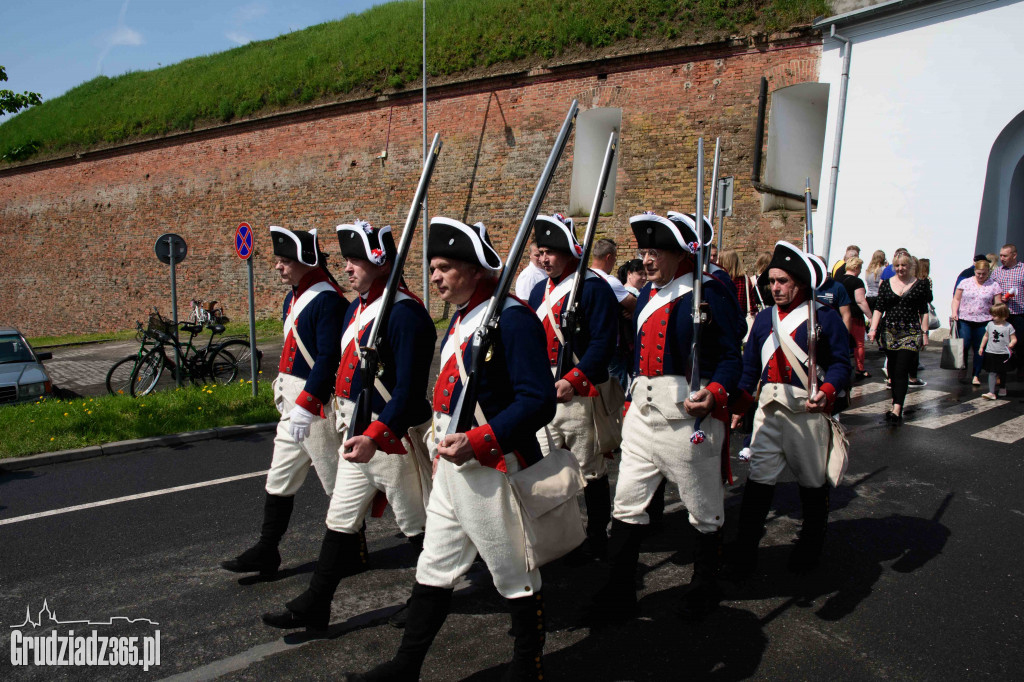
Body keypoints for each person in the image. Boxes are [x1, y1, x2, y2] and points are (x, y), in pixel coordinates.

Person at [345, 217, 556, 682]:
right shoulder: (463, 319)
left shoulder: (513, 319)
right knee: (433, 567)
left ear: (475, 269)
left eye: (443, 267)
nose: (434, 277)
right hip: (450, 470)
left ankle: (529, 666)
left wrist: (481, 439)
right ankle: (406, 666)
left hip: (491, 469)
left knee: (514, 574)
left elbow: (537, 400)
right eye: (433, 268)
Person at [261, 221, 437, 633]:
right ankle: (316, 603)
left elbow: (409, 392)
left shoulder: (405, 313)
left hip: (392, 438)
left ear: (381, 262)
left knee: (418, 525)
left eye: (356, 259)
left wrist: (377, 434)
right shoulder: (359, 309)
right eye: (346, 260)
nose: (347, 268)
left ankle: (429, 597)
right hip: (359, 432)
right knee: (339, 520)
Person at [585, 211, 742, 624]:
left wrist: (715, 392)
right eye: (644, 252)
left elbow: (730, 356)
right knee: (627, 506)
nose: (647, 261)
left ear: (679, 255)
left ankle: (705, 586)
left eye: (656, 252)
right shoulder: (648, 298)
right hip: (641, 418)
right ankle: (618, 591)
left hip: (687, 419)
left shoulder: (707, 293)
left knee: (704, 511)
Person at [222, 227, 347, 578]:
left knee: (335, 481)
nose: (278, 267)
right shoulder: (293, 298)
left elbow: (327, 359)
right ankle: (267, 548)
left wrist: (308, 405)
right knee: (279, 476)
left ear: (305, 262)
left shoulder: (328, 300)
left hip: (316, 404)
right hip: (293, 403)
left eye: (284, 260)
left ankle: (356, 550)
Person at [726, 241, 850, 579]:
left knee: (812, 484)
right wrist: (738, 405)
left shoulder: (822, 317)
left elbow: (841, 363)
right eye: (772, 281)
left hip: (806, 413)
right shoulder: (765, 318)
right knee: (758, 482)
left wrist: (826, 390)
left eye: (782, 281)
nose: (775, 287)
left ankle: (810, 546)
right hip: (768, 412)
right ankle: (745, 552)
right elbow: (750, 368)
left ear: (799, 282)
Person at [529, 214, 618, 560]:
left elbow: (602, 344)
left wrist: (574, 380)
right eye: (541, 251)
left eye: (552, 252)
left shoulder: (593, 287)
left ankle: (598, 534)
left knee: (590, 469)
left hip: (579, 393)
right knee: (546, 469)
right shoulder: (539, 290)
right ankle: (561, 537)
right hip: (543, 391)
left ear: (569, 252)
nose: (545, 258)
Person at [868, 250, 932, 423]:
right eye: (897, 266)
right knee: (892, 370)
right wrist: (873, 329)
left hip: (910, 332)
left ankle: (897, 408)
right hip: (889, 331)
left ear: (910, 266)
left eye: (903, 265)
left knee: (902, 369)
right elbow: (879, 308)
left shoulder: (920, 285)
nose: (900, 269)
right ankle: (894, 401)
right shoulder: (887, 284)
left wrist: (925, 333)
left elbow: (924, 311)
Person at [951, 258, 1004, 385]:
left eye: (984, 274)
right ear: (975, 271)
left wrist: (998, 318)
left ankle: (976, 374)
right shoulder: (965, 282)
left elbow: (997, 303)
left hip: (984, 320)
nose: (980, 276)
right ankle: (963, 368)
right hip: (965, 318)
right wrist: (954, 312)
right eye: (978, 273)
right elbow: (956, 299)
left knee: (979, 348)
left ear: (988, 272)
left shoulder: (994, 285)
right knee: (964, 344)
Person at [840, 257, 873, 380]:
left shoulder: (837, 280)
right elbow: (860, 300)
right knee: (859, 344)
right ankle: (860, 369)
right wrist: (870, 316)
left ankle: (842, 367)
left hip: (840, 315)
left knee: (842, 342)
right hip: (854, 316)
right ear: (856, 268)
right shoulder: (857, 282)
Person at [992, 244, 1023, 365]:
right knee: (1001, 341)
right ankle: (1002, 369)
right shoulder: (997, 272)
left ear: (1014, 255)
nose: (1002, 258)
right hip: (1002, 313)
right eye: (1000, 255)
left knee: (1019, 341)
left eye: (1005, 255)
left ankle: (1020, 367)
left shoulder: (1023, 269)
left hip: (1019, 312)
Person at [979, 303, 1017, 399]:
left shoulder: (1008, 326)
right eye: (992, 315)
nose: (993, 317)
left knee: (1002, 372)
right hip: (991, 352)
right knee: (992, 372)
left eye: (995, 315)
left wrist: (1012, 343)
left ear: (1003, 315)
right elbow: (986, 336)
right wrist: (981, 347)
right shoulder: (990, 324)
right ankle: (991, 392)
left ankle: (1002, 387)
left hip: (1003, 353)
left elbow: (1014, 338)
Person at [719, 249, 758, 339]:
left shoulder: (723, 280)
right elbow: (751, 302)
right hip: (741, 322)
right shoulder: (745, 279)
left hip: (726, 322)